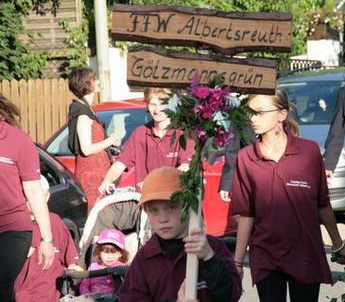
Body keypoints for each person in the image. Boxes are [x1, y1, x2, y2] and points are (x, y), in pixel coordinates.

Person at [231, 89, 345, 302]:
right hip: (266, 254)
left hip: (305, 252)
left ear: (282, 115)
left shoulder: (309, 151)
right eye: (250, 112)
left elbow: (322, 204)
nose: (252, 118)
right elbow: (247, 214)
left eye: (260, 112)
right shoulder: (245, 158)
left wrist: (338, 244)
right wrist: (238, 262)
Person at [81, 88, 194, 264]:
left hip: (174, 203)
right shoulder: (141, 133)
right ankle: (90, 269)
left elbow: (185, 166)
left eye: (162, 104)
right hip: (144, 202)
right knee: (103, 213)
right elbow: (121, 163)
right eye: (152, 104)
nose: (157, 109)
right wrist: (107, 181)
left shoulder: (183, 133)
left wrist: (156, 183)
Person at [119, 167, 241, 302]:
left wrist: (209, 258)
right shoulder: (144, 260)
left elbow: (232, 295)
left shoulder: (213, 247)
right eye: (154, 210)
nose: (163, 218)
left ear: (188, 206)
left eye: (171, 207)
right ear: (146, 211)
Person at [0, 93, 54, 301]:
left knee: (1, 281)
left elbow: (34, 191)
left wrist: (46, 239)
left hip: (12, 227)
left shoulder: (17, 139)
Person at [14, 176, 82, 302]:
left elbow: (69, 253)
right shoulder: (12, 225)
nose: (31, 202)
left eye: (36, 197)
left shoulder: (55, 222)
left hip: (49, 294)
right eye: (26, 197)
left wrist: (73, 265)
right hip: (20, 295)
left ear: (46, 197)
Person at [68, 67, 121, 210]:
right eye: (94, 79)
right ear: (86, 83)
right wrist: (108, 141)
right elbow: (86, 148)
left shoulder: (88, 109)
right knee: (95, 215)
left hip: (99, 174)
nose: (98, 81)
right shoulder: (82, 114)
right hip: (90, 177)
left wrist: (109, 141)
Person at [79, 229, 128, 297]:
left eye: (113, 252)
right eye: (105, 252)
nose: (109, 256)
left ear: (120, 253)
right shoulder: (93, 267)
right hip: (93, 298)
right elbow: (84, 284)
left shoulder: (121, 267)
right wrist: (86, 294)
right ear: (99, 252)